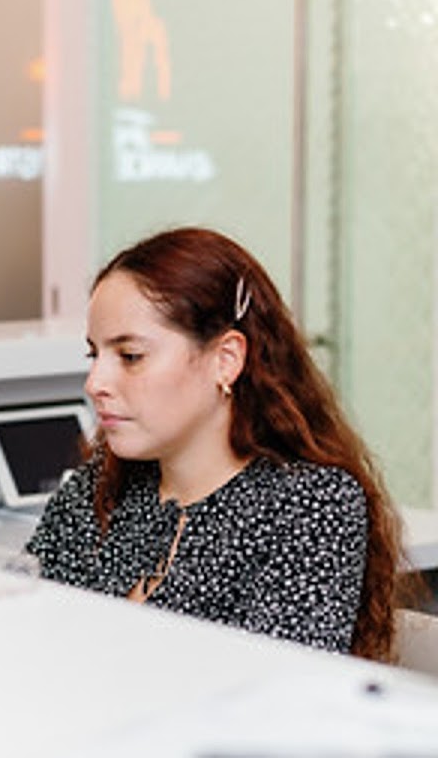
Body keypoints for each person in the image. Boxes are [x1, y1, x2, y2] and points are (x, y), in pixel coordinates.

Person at [20, 226, 406, 661]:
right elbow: (17, 634)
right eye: (94, 355)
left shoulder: (311, 506)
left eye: (130, 356)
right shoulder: (100, 486)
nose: (95, 383)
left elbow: (276, 690)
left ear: (226, 360)